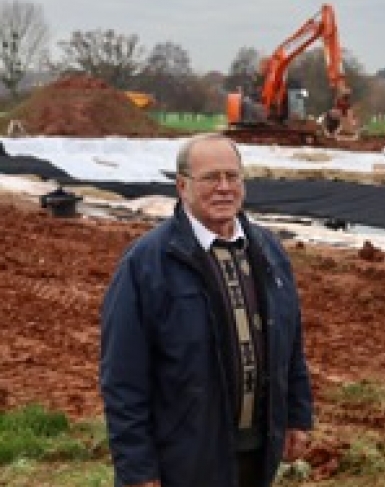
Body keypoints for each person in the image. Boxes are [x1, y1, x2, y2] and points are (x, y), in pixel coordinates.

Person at [100, 133, 313, 487]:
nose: (224, 188)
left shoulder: (269, 251)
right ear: (182, 186)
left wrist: (296, 416)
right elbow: (123, 378)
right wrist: (138, 470)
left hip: (257, 456)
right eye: (211, 178)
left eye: (233, 176)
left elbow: (290, 345)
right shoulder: (148, 264)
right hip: (185, 460)